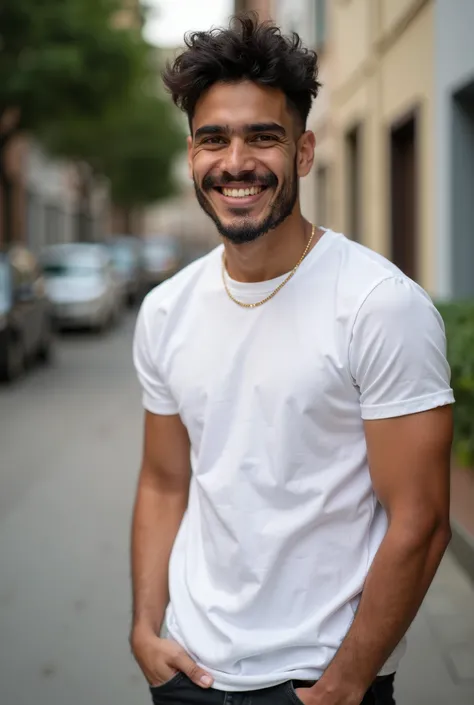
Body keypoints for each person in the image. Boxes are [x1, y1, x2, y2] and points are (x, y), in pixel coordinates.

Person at [130, 14, 454, 705]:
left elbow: (422, 520)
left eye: (263, 137)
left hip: (318, 679)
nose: (236, 162)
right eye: (213, 138)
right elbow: (163, 482)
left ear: (304, 152)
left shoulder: (379, 305)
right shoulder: (165, 310)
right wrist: (144, 629)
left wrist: (341, 686)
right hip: (185, 668)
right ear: (191, 153)